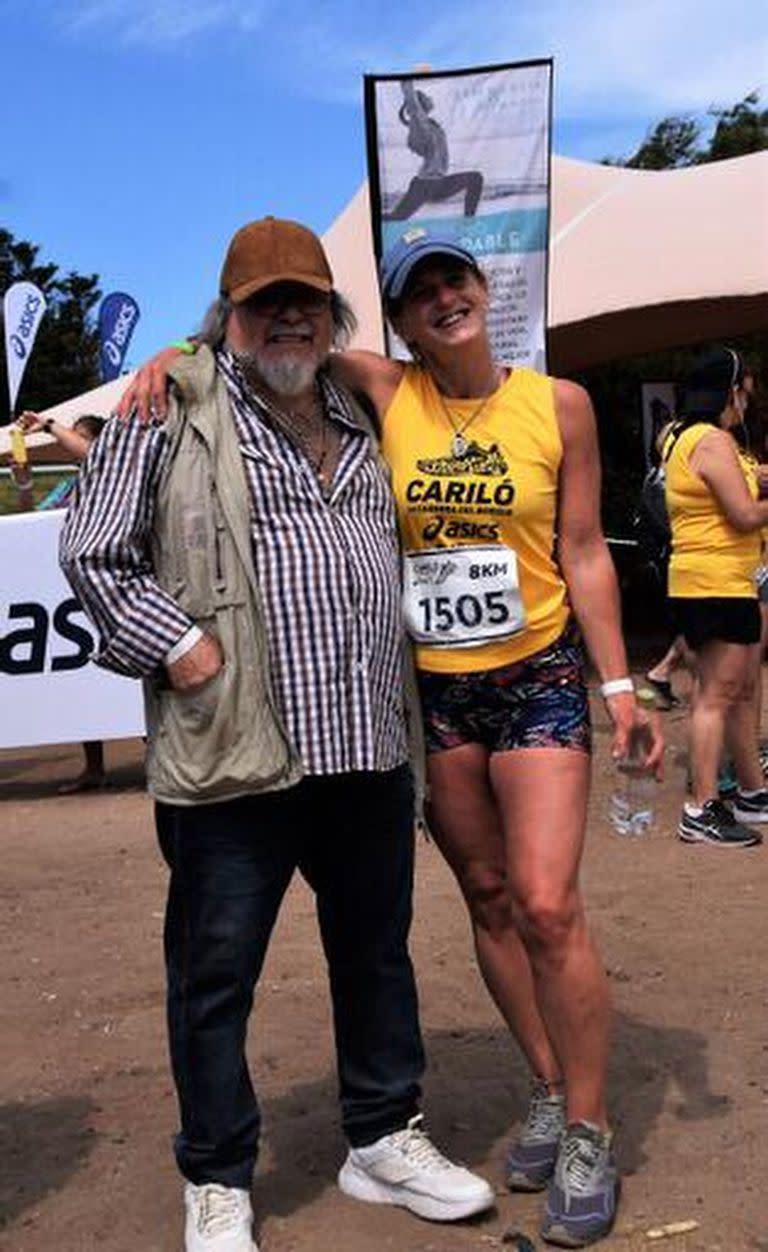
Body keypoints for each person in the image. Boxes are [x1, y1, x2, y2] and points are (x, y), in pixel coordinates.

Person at [122, 227, 663, 1249]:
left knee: (546, 902)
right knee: (489, 897)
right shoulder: (382, 386)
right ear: (402, 321)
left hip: (536, 677)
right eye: (423, 293)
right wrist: (173, 357)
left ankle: (587, 1127)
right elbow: (253, 336)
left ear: (482, 288)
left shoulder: (559, 404)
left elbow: (585, 547)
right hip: (438, 699)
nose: (444, 300)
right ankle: (545, 1090)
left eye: (456, 279)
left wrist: (621, 683)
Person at [60, 218, 494, 1252]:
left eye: (307, 299)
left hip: (365, 746)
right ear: (230, 320)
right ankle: (216, 1176)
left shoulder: (362, 406)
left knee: (375, 955)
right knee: (215, 978)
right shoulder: (172, 409)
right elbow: (92, 550)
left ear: (335, 316)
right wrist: (178, 647)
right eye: (266, 303)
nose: (289, 316)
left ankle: (382, 1134)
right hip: (235, 757)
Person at [664, 346, 768, 849]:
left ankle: (752, 790)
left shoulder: (692, 439)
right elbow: (745, 516)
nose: (747, 399)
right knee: (714, 697)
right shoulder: (711, 441)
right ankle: (700, 808)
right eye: (744, 389)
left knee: (740, 692)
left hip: (723, 580)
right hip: (713, 583)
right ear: (730, 390)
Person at [16, 410, 108, 793]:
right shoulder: (72, 485)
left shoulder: (112, 476)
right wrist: (24, 486)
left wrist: (51, 426)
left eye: (78, 436)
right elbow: (33, 523)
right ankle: (93, 767)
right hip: (72, 592)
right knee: (83, 678)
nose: (70, 443)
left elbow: (91, 453)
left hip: (107, 588)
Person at [383, 80, 484, 220]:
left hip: (439, 183)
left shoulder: (431, 125)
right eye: (425, 98)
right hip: (424, 185)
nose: (429, 99)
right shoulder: (419, 122)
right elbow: (412, 102)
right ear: (420, 105)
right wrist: (406, 81)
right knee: (397, 217)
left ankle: (469, 221)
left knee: (475, 178)